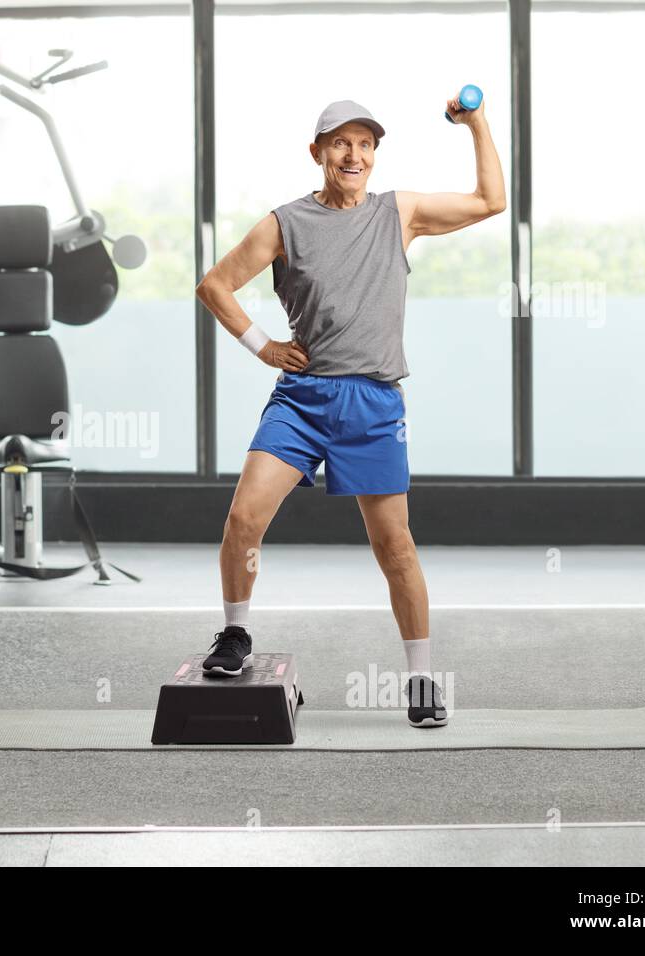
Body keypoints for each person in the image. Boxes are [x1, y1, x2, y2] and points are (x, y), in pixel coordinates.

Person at [194, 94, 506, 728]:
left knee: (394, 545)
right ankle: (234, 634)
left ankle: (420, 679)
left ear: (374, 155)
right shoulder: (285, 223)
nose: (353, 154)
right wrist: (265, 348)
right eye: (340, 143)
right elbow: (215, 285)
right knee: (243, 519)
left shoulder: (401, 214)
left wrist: (475, 122)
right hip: (302, 401)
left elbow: (490, 200)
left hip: (372, 402)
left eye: (364, 144)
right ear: (318, 153)